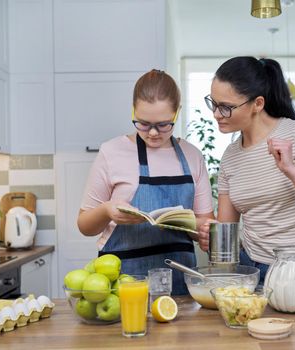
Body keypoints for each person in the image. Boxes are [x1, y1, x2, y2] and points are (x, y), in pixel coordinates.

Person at [198, 57, 295, 290]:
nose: (216, 114)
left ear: (257, 104)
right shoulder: (230, 157)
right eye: (214, 103)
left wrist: (291, 171)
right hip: (253, 273)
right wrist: (211, 237)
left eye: (226, 107)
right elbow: (227, 231)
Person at [78, 69, 214, 295]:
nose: (152, 133)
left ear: (177, 113)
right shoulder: (111, 152)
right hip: (123, 282)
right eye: (142, 123)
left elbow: (205, 225)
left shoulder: (192, 156)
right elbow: (84, 225)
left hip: (179, 281)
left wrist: (203, 230)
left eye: (163, 124)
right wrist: (106, 210)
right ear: (133, 110)